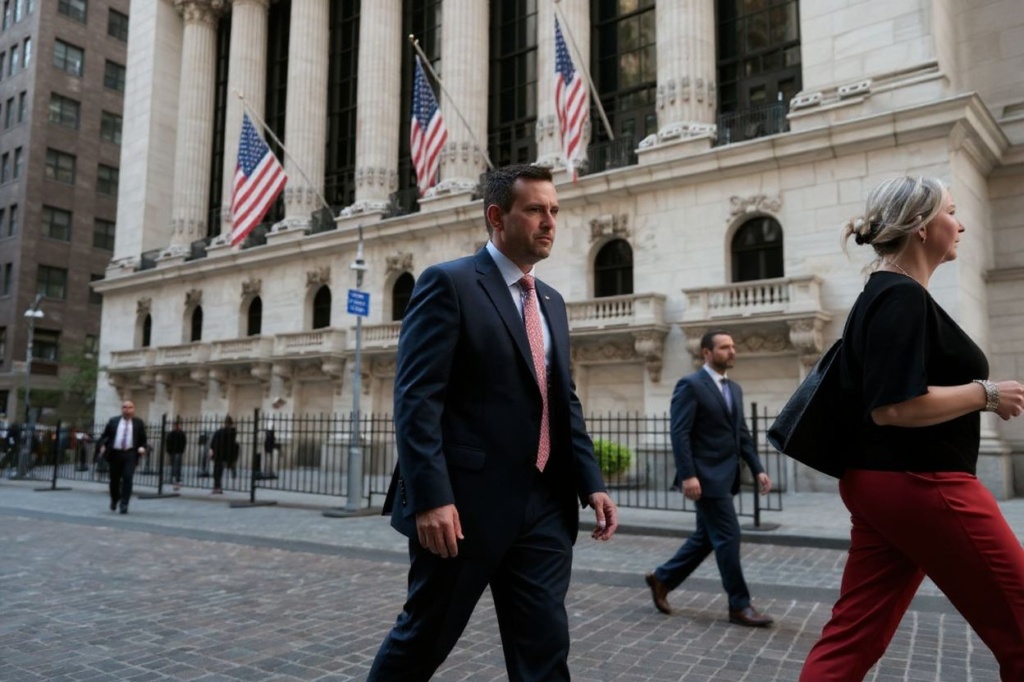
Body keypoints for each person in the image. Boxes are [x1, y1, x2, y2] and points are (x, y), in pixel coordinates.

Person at [368, 164, 618, 681]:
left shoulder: (551, 301)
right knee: (422, 641)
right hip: (463, 510)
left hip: (546, 505)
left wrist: (591, 482)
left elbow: (560, 399)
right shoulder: (450, 283)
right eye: (535, 210)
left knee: (545, 651)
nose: (549, 221)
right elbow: (417, 399)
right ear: (496, 217)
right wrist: (432, 496)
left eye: (554, 211)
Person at [799, 176, 1024, 680]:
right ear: (921, 227)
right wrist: (987, 394)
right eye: (950, 211)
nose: (961, 223)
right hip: (925, 483)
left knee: (853, 636)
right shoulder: (899, 296)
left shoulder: (887, 293)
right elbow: (893, 407)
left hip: (887, 484)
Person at [644, 330, 774, 627]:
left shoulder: (734, 389)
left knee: (707, 538)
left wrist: (758, 468)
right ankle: (739, 605)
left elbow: (741, 433)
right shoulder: (690, 385)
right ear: (706, 353)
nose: (732, 351)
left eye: (733, 346)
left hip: (726, 476)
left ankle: (662, 578)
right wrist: (688, 475)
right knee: (729, 536)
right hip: (704, 477)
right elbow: (680, 433)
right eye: (725, 347)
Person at [98, 400, 148, 514]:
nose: (127, 409)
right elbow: (104, 437)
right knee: (114, 480)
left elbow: (143, 440)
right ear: (122, 409)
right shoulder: (113, 421)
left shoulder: (138, 423)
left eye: (130, 407)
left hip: (130, 454)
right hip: (115, 454)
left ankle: (124, 503)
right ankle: (115, 499)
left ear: (133, 409)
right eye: (125, 407)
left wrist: (142, 448)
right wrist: (102, 446)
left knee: (128, 477)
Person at [208, 416, 237, 495]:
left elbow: (213, 443)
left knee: (218, 471)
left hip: (221, 454)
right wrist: (211, 450)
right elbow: (213, 443)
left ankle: (217, 486)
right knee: (217, 472)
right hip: (219, 454)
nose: (227, 425)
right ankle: (217, 486)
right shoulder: (222, 432)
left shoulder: (227, 432)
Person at [166, 417, 187, 491]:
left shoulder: (181, 433)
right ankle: (173, 478)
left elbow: (184, 442)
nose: (177, 426)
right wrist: (169, 450)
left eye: (178, 425)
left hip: (178, 451)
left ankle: (177, 478)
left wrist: (182, 450)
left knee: (178, 465)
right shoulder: (171, 433)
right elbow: (168, 442)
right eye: (176, 425)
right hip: (173, 451)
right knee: (173, 465)